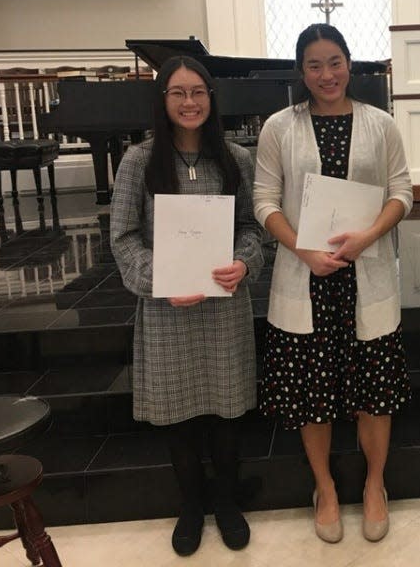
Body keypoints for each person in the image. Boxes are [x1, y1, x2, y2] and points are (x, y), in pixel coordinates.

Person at [253, 23, 413, 543]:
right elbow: (264, 201)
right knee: (311, 392)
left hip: (363, 274)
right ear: (301, 72)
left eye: (335, 61)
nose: (327, 74)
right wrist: (302, 248)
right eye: (315, 65)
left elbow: (401, 192)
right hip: (307, 278)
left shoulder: (380, 124)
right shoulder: (280, 127)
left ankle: (374, 484)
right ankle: (323, 488)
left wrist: (367, 237)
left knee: (374, 394)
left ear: (351, 63)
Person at [110, 55, 265, 556]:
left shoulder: (237, 159)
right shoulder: (139, 160)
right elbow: (123, 237)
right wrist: (162, 278)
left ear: (211, 98)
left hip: (222, 305)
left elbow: (252, 229)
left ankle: (226, 502)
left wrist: (244, 264)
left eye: (198, 92)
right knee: (177, 414)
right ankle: (191, 507)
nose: (190, 102)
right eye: (178, 93)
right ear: (163, 100)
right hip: (166, 308)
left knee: (225, 411)